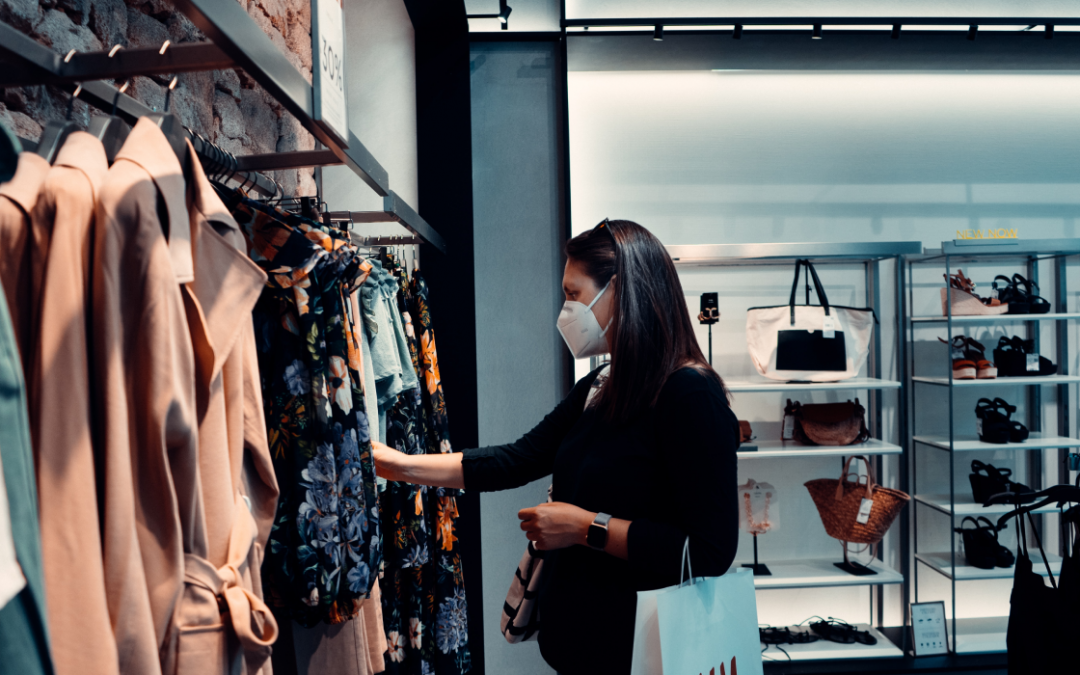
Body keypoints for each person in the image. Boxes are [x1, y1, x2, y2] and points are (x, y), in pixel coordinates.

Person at [373, 219, 739, 675]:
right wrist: (400, 465)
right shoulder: (604, 383)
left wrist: (587, 527)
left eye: (573, 293)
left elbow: (710, 550)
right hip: (581, 646)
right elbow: (517, 458)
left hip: (649, 654)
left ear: (619, 290)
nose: (565, 309)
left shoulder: (690, 395)